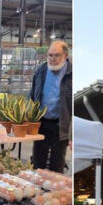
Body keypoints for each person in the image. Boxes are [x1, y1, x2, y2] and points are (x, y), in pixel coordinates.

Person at [28, 40, 72, 173]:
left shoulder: (72, 74)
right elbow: (32, 95)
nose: (52, 59)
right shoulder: (41, 70)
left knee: (57, 163)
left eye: (56, 55)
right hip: (41, 123)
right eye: (50, 55)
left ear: (65, 55)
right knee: (38, 161)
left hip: (61, 125)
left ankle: (55, 185)